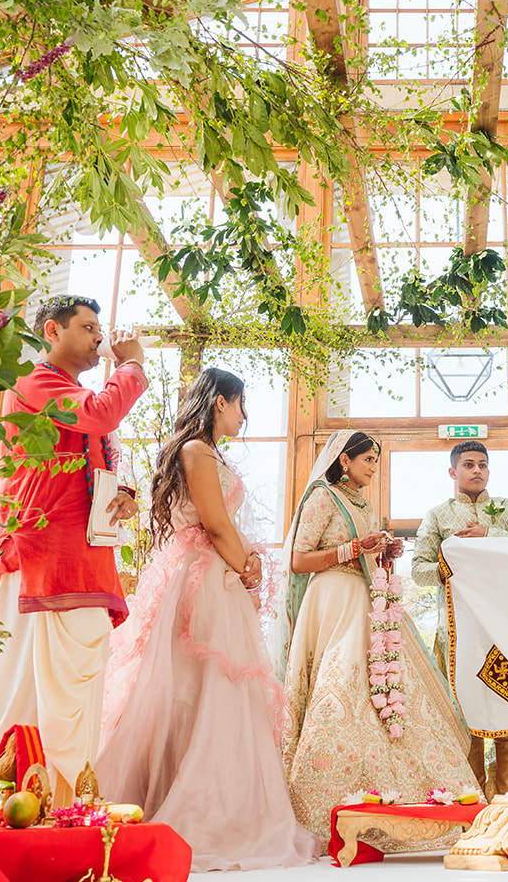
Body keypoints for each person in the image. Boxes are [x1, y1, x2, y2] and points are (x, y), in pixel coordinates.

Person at [96, 369, 318, 870]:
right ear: (220, 402)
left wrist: (246, 564)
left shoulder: (207, 453)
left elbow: (222, 525)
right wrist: (249, 567)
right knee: (199, 686)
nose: (244, 415)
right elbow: (215, 524)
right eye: (240, 404)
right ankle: (190, 806)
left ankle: (214, 797)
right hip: (202, 580)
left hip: (213, 575)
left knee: (206, 690)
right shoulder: (195, 451)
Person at [0, 295, 147, 807]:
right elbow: (103, 412)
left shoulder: (65, 391)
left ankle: (65, 800)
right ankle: (11, 794)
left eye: (98, 329)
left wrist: (116, 495)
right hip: (44, 556)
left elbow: (82, 452)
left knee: (76, 684)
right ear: (52, 331)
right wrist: (130, 364)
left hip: (77, 555)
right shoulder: (36, 383)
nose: (96, 338)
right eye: (88, 327)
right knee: (27, 683)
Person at [279, 431, 480, 840]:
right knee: (342, 687)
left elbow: (363, 553)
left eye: (376, 460)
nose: (373, 467)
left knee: (392, 693)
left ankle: (411, 801)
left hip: (369, 600)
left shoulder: (365, 504)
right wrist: (353, 549)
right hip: (334, 599)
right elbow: (299, 560)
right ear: (344, 461)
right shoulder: (323, 496)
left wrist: (382, 554)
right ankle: (324, 807)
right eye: (367, 459)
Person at [412, 441, 508, 798]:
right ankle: (470, 812)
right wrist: (448, 567)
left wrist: (491, 535)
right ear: (453, 472)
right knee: (463, 719)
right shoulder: (438, 516)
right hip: (457, 635)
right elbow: (418, 571)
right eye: (468, 464)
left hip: (505, 634)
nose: (477, 470)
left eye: (483, 464)